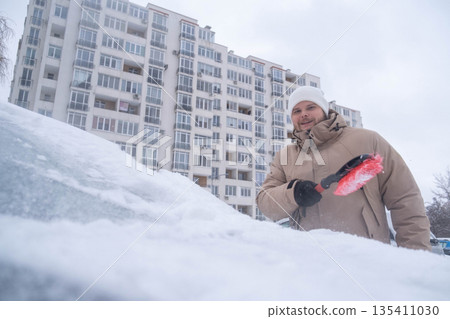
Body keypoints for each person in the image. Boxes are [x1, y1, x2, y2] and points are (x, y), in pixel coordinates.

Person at [256, 86, 431, 251]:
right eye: (297, 111)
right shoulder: (286, 156)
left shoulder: (367, 140)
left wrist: (416, 256)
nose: (304, 114)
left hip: (369, 258)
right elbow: (265, 203)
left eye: (311, 107)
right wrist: (293, 193)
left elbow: (405, 200)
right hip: (310, 263)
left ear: (324, 109)